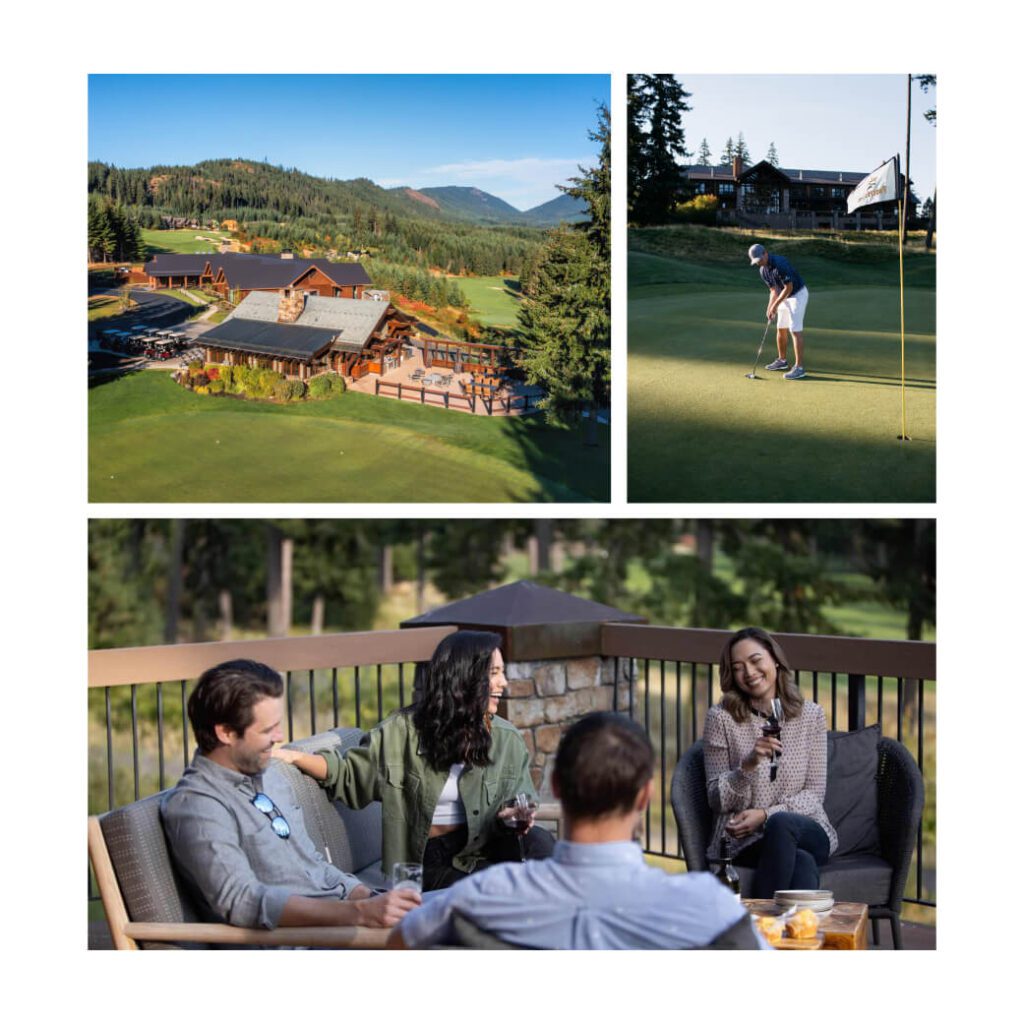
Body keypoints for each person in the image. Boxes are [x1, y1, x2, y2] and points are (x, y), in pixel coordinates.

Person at [389, 711, 767, 949]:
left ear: (555, 787)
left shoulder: (480, 898)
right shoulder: (709, 909)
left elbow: (399, 945)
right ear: (644, 797)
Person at [273, 630, 554, 891]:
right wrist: (295, 756)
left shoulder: (507, 738)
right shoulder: (401, 733)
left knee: (542, 844)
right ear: (463, 677)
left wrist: (514, 816)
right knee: (495, 891)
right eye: (494, 673)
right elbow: (348, 775)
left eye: (502, 672)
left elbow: (521, 796)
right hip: (428, 860)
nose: (503, 683)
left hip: (484, 845)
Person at [160, 659, 420, 932]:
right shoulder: (198, 805)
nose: (280, 736)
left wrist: (369, 899)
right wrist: (358, 913)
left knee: (460, 908)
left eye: (278, 724)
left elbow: (313, 863)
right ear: (225, 732)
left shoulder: (269, 774)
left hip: (342, 924)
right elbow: (243, 901)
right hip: (302, 943)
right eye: (266, 730)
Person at [703, 627, 837, 900]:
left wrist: (766, 815)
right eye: (738, 667)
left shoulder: (811, 715)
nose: (749, 673)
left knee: (781, 824)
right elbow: (716, 799)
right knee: (803, 863)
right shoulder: (721, 719)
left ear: (774, 659)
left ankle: (757, 931)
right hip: (745, 840)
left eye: (755, 660)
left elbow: (814, 795)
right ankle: (794, 936)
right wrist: (748, 766)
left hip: (807, 828)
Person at [747, 243, 810, 380]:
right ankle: (782, 361)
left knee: (794, 330)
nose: (759, 263)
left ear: (765, 253)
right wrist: (770, 307)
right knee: (781, 328)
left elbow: (788, 288)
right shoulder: (763, 270)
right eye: (756, 262)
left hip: (797, 295)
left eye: (760, 259)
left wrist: (776, 305)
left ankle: (799, 368)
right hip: (783, 296)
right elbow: (773, 290)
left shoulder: (780, 264)